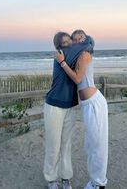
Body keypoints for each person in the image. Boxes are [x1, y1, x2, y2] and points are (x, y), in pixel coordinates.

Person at [55, 30, 108, 189]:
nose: (78, 42)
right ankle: (95, 181)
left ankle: (99, 183)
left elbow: (78, 78)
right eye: (75, 40)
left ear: (86, 40)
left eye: (81, 39)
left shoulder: (84, 54)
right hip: (87, 104)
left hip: (93, 103)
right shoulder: (77, 55)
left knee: (98, 144)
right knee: (91, 144)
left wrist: (62, 63)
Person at [43, 32, 94, 189]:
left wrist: (86, 41)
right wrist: (88, 39)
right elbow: (89, 43)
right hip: (54, 106)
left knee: (66, 145)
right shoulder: (61, 54)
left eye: (69, 41)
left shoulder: (72, 55)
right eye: (65, 43)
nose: (69, 44)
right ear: (59, 47)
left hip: (70, 106)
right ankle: (52, 180)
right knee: (53, 146)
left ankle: (66, 178)